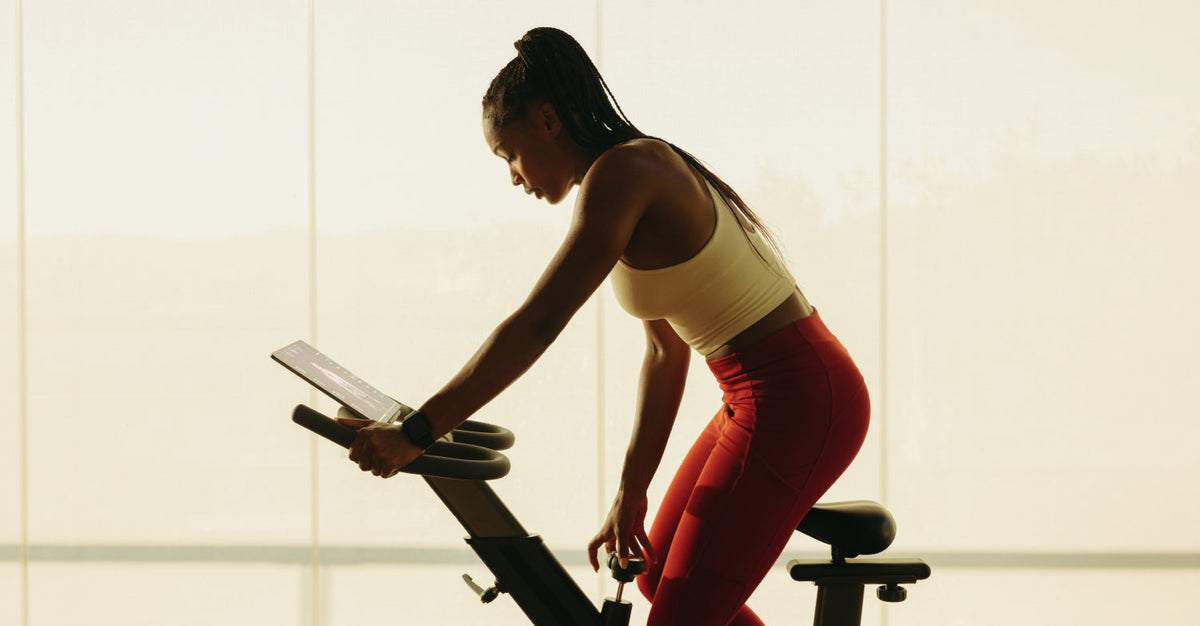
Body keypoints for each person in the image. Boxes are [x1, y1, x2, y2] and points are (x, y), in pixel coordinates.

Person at [336, 26, 870, 626]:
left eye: (507, 153)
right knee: (660, 576)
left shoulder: (625, 172)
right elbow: (666, 355)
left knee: (683, 612)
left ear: (548, 120)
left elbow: (538, 324)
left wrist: (419, 431)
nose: (513, 175)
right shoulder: (624, 178)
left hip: (796, 395)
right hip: (754, 394)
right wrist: (630, 491)